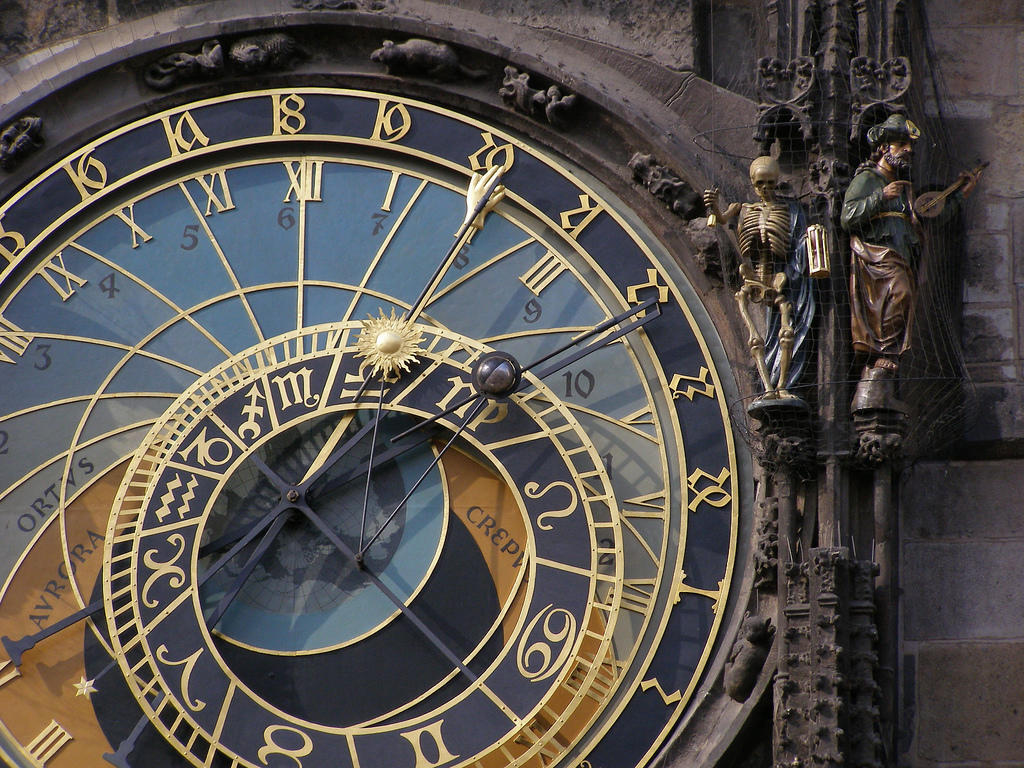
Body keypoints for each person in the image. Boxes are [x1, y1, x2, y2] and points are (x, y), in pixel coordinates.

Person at [841, 114, 976, 385]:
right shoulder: (868, 179)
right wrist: (881, 196)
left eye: (910, 145)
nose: (908, 150)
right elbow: (847, 217)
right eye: (902, 144)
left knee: (903, 297)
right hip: (876, 256)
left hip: (903, 256)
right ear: (883, 148)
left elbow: (929, 215)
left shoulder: (906, 189)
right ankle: (883, 352)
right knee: (899, 293)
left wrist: (961, 194)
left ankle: (888, 352)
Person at [704, 156, 816, 401]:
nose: (765, 188)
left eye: (770, 183)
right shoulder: (741, 208)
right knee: (755, 337)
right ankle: (767, 388)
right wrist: (713, 206)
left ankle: (782, 385)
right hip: (753, 276)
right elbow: (720, 219)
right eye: (760, 184)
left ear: (776, 182)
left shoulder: (789, 210)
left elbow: (799, 240)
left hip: (779, 278)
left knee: (787, 331)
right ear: (752, 183)